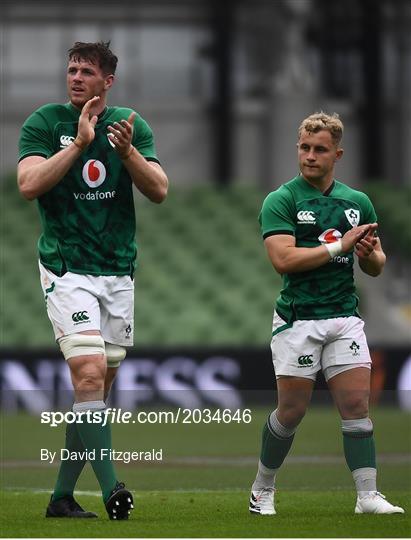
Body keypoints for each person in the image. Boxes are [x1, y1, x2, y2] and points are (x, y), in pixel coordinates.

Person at [17, 41, 168, 520]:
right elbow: (28, 185)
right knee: (87, 375)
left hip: (117, 272)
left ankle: (61, 498)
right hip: (66, 267)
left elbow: (159, 190)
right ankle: (112, 490)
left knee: (96, 394)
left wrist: (127, 154)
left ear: (108, 82)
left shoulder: (129, 124)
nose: (76, 78)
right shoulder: (46, 123)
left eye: (86, 72)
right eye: (72, 70)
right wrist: (80, 144)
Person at [249, 112, 404, 515]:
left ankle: (367, 495)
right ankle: (262, 489)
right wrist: (340, 247)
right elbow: (282, 259)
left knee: (356, 406)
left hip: (344, 317)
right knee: (291, 413)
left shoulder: (357, 202)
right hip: (298, 319)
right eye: (304, 148)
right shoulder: (282, 199)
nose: (310, 156)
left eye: (320, 150)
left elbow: (375, 263)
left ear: (337, 154)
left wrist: (370, 255)